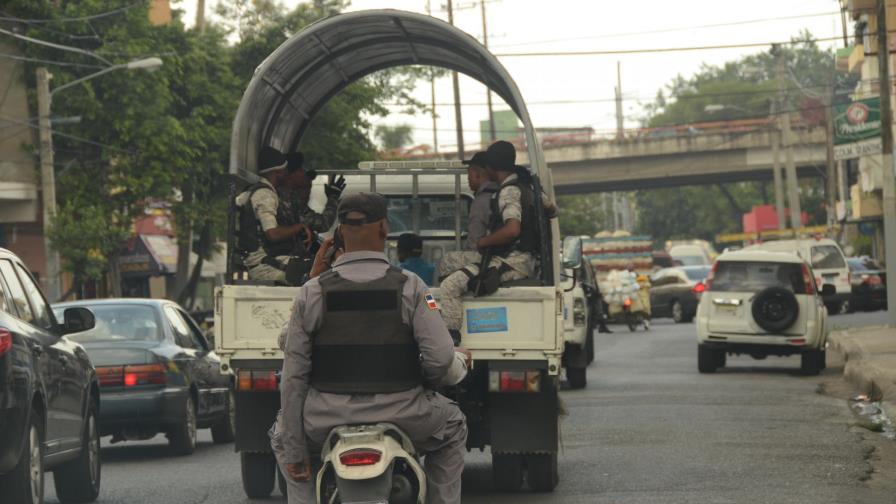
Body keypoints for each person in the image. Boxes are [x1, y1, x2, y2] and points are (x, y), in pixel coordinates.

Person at [271, 193, 469, 504]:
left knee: (283, 438)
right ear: (384, 228)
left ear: (339, 233)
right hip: (406, 412)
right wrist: (424, 381)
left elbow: (293, 376)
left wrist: (296, 450)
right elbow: (441, 358)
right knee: (454, 427)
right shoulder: (411, 285)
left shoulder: (312, 292)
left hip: (324, 418)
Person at [439, 141, 558, 341]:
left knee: (448, 286)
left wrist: (484, 242)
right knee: (449, 264)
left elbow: (512, 230)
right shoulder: (528, 185)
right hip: (522, 258)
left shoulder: (508, 191)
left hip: (510, 261)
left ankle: (449, 337)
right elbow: (553, 210)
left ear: (490, 168)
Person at [234, 146, 312, 283]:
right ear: (278, 173)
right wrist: (300, 227)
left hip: (259, 261)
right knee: (316, 272)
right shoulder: (265, 195)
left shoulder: (253, 191)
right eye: (285, 170)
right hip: (264, 265)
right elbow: (272, 234)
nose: (287, 174)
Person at [279, 152, 345, 234]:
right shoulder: (290, 200)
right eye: (300, 169)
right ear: (290, 175)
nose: (303, 172)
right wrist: (333, 198)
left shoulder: (280, 194)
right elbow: (323, 224)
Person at [462, 151, 498, 251]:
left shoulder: (481, 201)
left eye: (469, 172)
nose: (468, 178)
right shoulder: (501, 191)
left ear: (477, 174)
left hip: (484, 256)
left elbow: (474, 242)